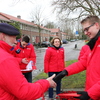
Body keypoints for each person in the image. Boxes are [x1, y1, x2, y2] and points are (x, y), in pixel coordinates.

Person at [0, 23, 56, 100]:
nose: (16, 42)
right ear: (3, 37)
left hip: (26, 70)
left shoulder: (7, 53)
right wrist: (46, 83)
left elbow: (33, 57)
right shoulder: (6, 60)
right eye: (13, 38)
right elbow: (24, 92)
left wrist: (30, 63)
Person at [53, 15, 100, 100]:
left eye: (87, 29)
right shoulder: (93, 45)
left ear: (96, 25)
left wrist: (90, 94)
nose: (85, 33)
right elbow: (82, 63)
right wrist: (65, 72)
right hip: (92, 93)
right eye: (84, 30)